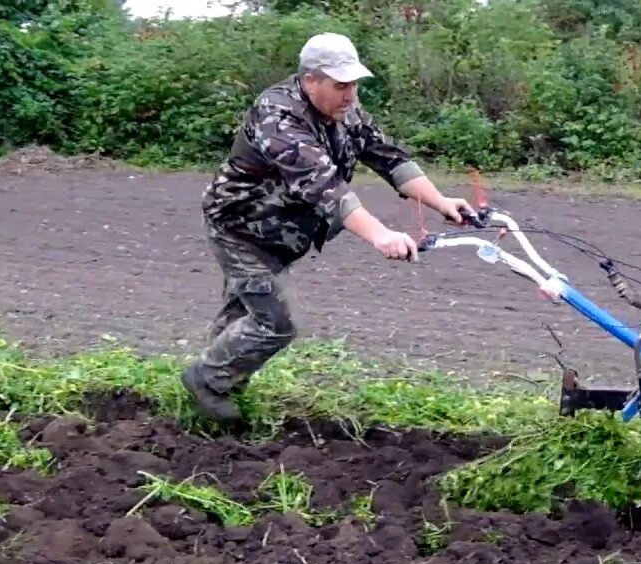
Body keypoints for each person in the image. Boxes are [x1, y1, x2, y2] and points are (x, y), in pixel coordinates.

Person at [181, 32, 475, 422]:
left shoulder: (344, 109)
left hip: (281, 234)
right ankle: (205, 381)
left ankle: (211, 398)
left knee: (243, 316)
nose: (350, 94)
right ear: (309, 80)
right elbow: (326, 189)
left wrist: (441, 201)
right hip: (241, 230)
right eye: (341, 85)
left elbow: (389, 158)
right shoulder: (278, 116)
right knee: (275, 323)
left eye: (353, 83)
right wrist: (381, 235)